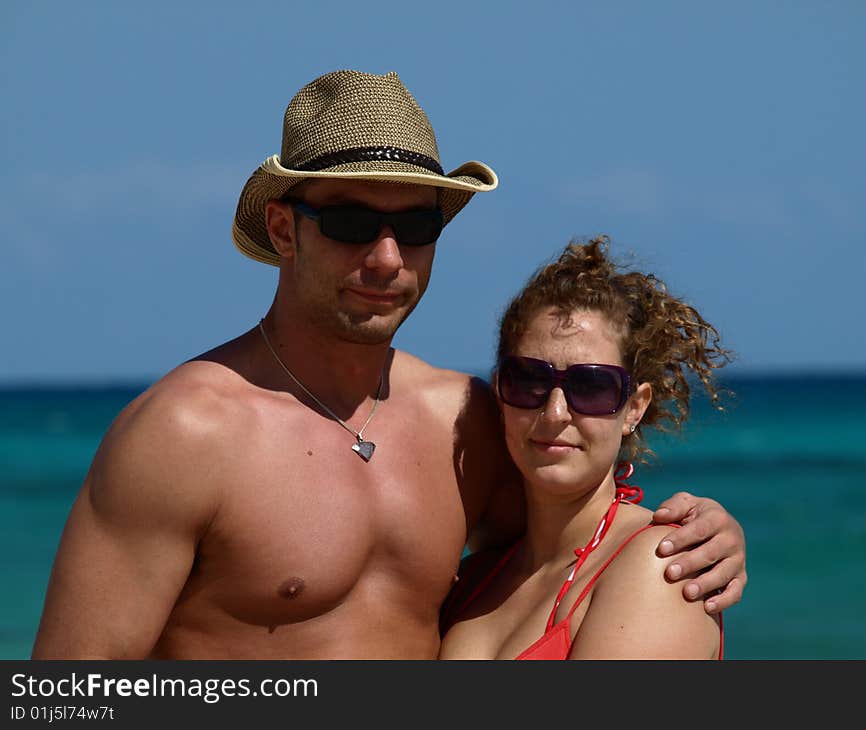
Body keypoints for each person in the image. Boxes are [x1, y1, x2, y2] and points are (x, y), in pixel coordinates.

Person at [31, 70, 746, 660]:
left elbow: (568, 532)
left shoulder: (462, 423)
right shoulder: (186, 434)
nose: (384, 258)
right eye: (347, 223)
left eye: (413, 226)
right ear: (284, 228)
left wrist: (703, 531)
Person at [439, 238, 732, 659]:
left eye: (591, 386)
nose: (555, 412)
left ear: (634, 408)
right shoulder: (474, 578)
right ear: (500, 392)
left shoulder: (660, 564)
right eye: (529, 381)